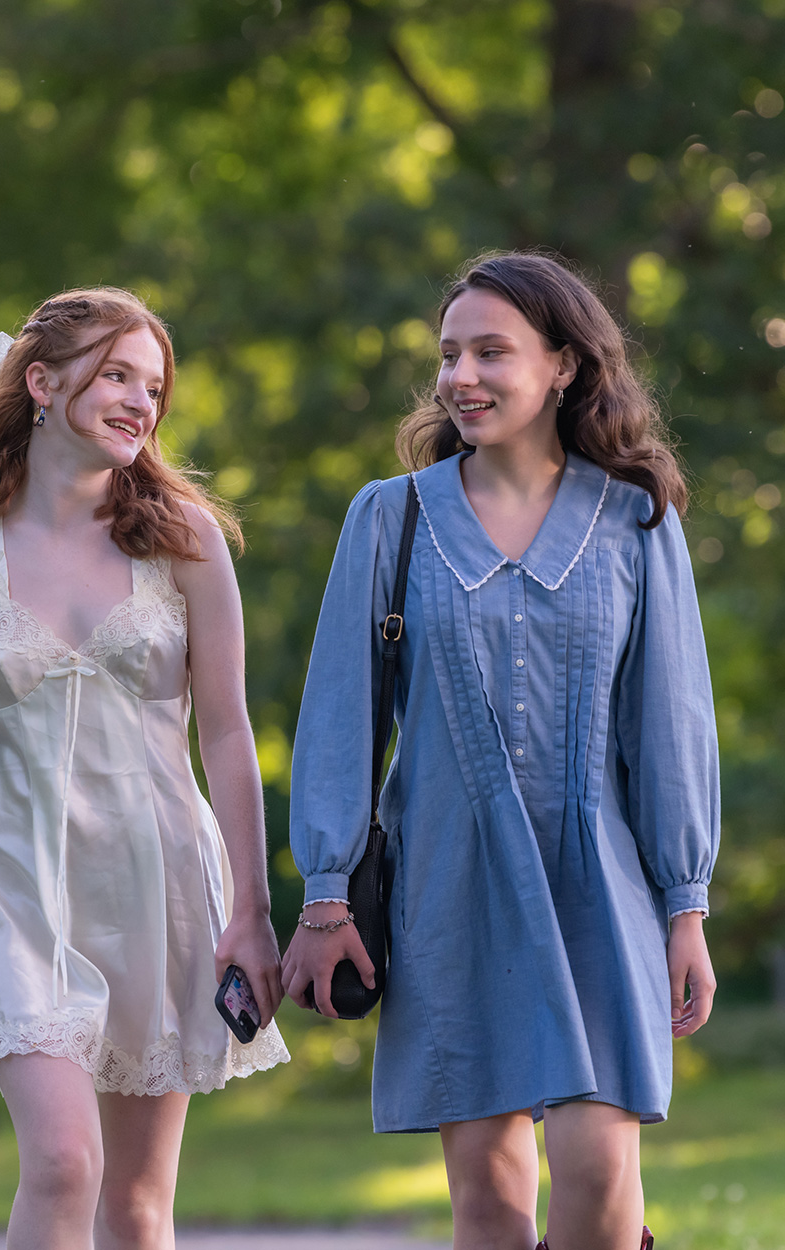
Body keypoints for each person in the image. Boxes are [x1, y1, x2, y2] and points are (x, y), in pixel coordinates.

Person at [282, 252, 718, 1250]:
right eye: (447, 354)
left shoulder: (636, 518)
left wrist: (684, 902)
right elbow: (342, 721)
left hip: (600, 886)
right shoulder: (387, 519)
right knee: (485, 1200)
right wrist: (324, 892)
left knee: (603, 1180)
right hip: (452, 883)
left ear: (563, 363)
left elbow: (672, 723)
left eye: (490, 351)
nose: (459, 376)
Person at [0, 288, 289, 1250]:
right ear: (41, 383)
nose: (141, 401)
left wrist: (250, 911)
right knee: (62, 1165)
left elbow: (226, 734)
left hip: (160, 885)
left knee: (135, 1206)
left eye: (154, 385)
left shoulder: (187, 540)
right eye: (118, 375)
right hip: (21, 891)